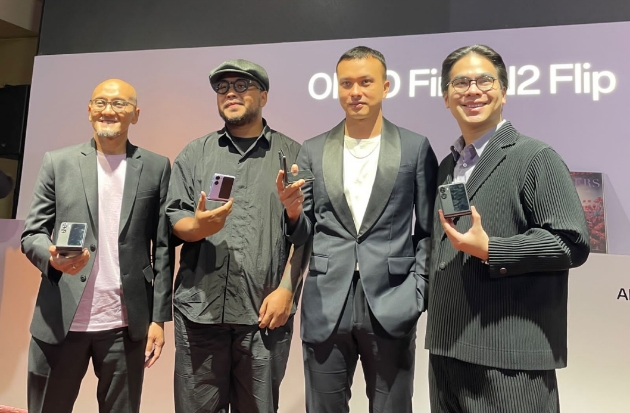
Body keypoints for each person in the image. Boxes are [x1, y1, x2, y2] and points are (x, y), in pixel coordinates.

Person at [425, 44, 590, 413]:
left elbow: (571, 242)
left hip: (509, 359)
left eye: (484, 81)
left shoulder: (535, 157)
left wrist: (492, 249)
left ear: (503, 92)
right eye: (460, 83)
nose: (472, 90)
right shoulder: (447, 166)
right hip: (447, 350)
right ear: (446, 98)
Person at [277, 46, 438, 413]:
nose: (355, 92)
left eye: (366, 82)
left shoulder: (414, 148)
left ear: (386, 86)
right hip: (326, 300)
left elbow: (428, 229)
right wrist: (293, 213)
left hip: (393, 300)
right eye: (346, 83)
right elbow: (304, 231)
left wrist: (419, 291)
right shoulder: (313, 149)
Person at [21, 79, 173, 413]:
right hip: (60, 319)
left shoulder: (156, 166)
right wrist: (52, 258)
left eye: (120, 104)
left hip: (125, 325)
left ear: (135, 114)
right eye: (101, 102)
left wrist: (159, 319)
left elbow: (162, 247)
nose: (109, 110)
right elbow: (32, 234)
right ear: (90, 110)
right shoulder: (58, 162)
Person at [166, 59, 306, 413]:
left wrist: (287, 290)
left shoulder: (292, 155)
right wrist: (199, 227)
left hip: (263, 315)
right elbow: (175, 218)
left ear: (264, 96)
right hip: (199, 313)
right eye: (223, 87)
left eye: (242, 86)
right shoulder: (195, 153)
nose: (231, 93)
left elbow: (308, 234)